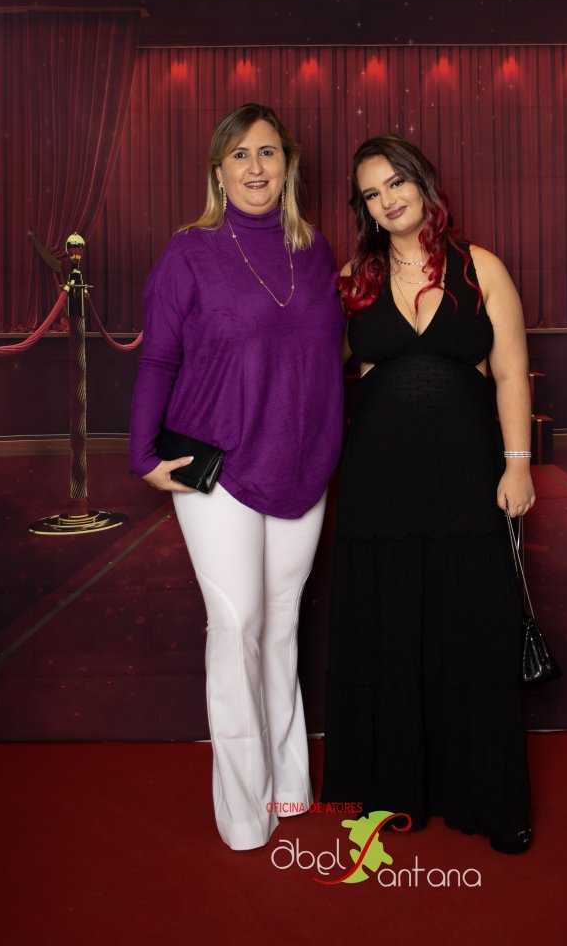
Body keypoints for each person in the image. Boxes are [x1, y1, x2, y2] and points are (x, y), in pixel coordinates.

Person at [129, 104, 345, 851]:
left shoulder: (314, 249)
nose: (255, 168)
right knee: (238, 626)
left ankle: (289, 789)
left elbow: (325, 355)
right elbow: (159, 358)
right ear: (218, 171)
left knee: (282, 626)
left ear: (288, 165)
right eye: (240, 155)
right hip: (215, 463)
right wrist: (142, 454)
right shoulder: (188, 252)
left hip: (302, 462)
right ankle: (244, 813)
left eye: (268, 153)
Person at [322, 135, 536, 854]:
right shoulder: (353, 276)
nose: (387, 200)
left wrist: (517, 465)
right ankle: (389, 797)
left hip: (466, 477)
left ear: (422, 182)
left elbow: (510, 373)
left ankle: (486, 797)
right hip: (378, 484)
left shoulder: (481, 268)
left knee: (470, 630)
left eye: (395, 183)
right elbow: (307, 369)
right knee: (386, 632)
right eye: (370, 193)